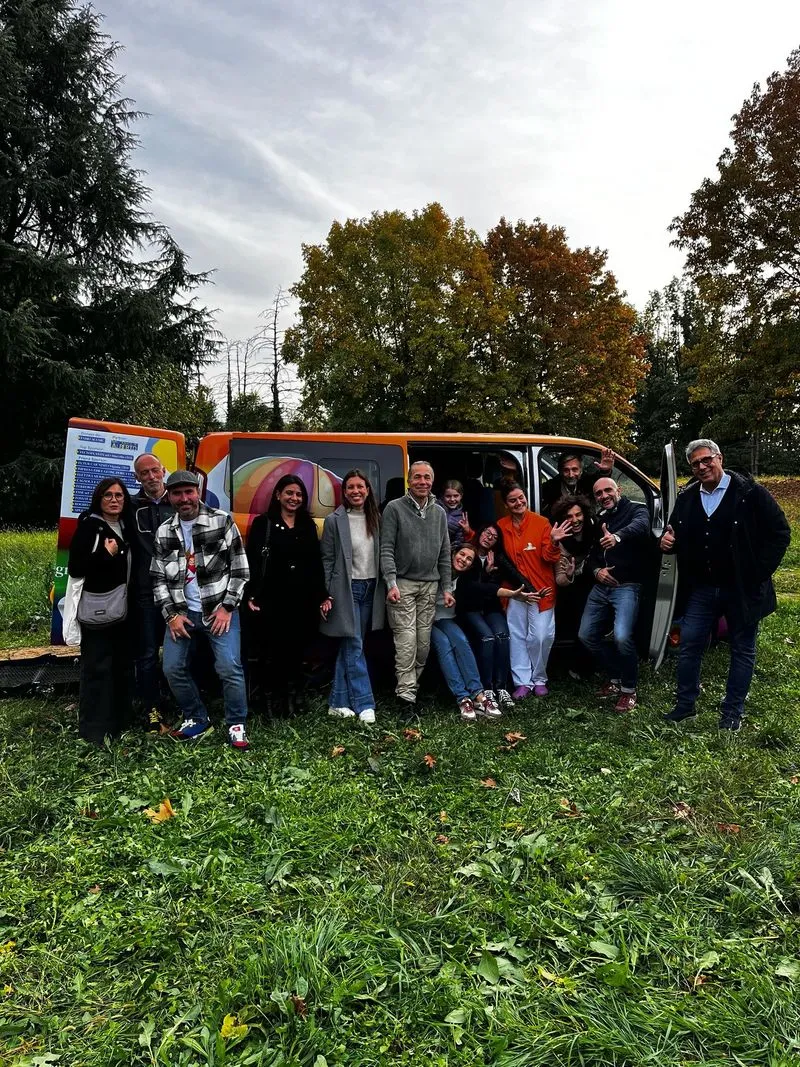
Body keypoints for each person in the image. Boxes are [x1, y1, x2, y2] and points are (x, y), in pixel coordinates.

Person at [660, 439, 790, 730]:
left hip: (741, 589)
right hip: (702, 588)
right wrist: (667, 542)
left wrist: (758, 572)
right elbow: (675, 533)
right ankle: (685, 706)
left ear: (719, 457)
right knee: (690, 644)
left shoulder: (750, 493)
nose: (702, 466)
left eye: (706, 459)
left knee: (742, 650)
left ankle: (732, 713)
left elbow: (780, 532)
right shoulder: (687, 497)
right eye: (695, 464)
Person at [151, 470, 251, 749]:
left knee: (229, 667)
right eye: (177, 493)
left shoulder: (222, 521)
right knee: (172, 668)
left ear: (198, 492)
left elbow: (241, 570)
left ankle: (236, 723)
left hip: (218, 610)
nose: (184, 498)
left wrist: (227, 608)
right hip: (182, 614)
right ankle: (196, 717)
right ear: (169, 497)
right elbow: (158, 579)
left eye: (189, 492)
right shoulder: (164, 531)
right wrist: (171, 616)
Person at [245, 474, 330, 717]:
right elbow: (252, 561)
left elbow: (315, 564)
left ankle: (292, 698)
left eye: (299, 494)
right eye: (289, 493)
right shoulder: (264, 523)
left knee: (296, 652)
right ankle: (270, 701)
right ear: (278, 495)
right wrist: (250, 594)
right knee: (270, 652)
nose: (294, 498)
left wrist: (322, 595)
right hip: (271, 599)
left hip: (301, 600)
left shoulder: (308, 526)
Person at [380, 460, 453, 713]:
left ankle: (411, 688)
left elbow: (445, 553)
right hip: (402, 584)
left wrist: (447, 588)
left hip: (429, 586)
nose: (422, 482)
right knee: (406, 643)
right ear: (409, 480)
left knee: (422, 645)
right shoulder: (394, 508)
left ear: (432, 481)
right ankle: (406, 698)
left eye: (427, 477)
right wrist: (391, 582)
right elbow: (386, 549)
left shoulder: (439, 513)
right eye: (417, 477)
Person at [67, 477, 136, 746]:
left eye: (119, 495)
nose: (114, 500)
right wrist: (105, 555)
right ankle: (94, 731)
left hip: (122, 610)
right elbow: (76, 568)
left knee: (120, 666)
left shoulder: (125, 525)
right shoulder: (90, 526)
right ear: (99, 498)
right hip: (98, 609)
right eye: (108, 495)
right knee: (97, 668)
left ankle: (118, 722)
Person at [578, 477, 651, 713]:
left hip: (627, 586)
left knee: (621, 637)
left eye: (608, 490)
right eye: (598, 493)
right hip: (601, 586)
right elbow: (591, 556)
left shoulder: (637, 510)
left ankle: (628, 689)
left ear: (618, 489)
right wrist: (596, 571)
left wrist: (617, 537)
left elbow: (641, 526)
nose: (604, 496)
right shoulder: (601, 519)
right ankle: (615, 676)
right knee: (586, 636)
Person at [320, 469, 385, 724]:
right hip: (347, 590)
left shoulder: (376, 518)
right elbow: (327, 559)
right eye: (350, 487)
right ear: (344, 492)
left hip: (371, 589)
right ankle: (365, 703)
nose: (356, 491)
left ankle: (337, 702)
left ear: (367, 490)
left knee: (353, 645)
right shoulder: (334, 520)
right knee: (355, 645)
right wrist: (328, 592)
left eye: (360, 486)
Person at [497, 481, 569, 699]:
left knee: (540, 637)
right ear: (506, 504)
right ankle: (522, 682)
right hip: (515, 591)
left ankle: (539, 678)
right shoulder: (501, 526)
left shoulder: (542, 523)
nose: (519, 502)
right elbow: (489, 543)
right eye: (512, 500)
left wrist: (554, 542)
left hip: (541, 590)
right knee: (517, 636)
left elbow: (549, 557)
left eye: (521, 498)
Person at [456, 523, 532, 709]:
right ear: (479, 532)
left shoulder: (497, 558)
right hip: (471, 608)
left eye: (494, 537)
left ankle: (502, 687)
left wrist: (532, 591)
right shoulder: (468, 553)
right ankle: (487, 688)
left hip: (491, 607)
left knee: (503, 635)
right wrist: (485, 572)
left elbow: (514, 575)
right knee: (488, 637)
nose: (489, 537)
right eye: (487, 532)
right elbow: (471, 587)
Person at [430, 544, 503, 722]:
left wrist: (487, 574)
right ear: (453, 553)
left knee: (461, 640)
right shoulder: (436, 569)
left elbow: (483, 588)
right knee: (444, 645)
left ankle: (478, 695)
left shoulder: (464, 579)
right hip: (427, 620)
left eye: (469, 559)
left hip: (446, 618)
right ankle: (462, 698)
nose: (463, 560)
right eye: (461, 554)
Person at [131, 452, 174, 733]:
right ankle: (152, 710)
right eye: (144, 473)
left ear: (163, 471)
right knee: (147, 654)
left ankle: (180, 700)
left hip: (178, 592)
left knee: (178, 652)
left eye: (155, 470)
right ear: (137, 477)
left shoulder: (179, 501)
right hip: (145, 592)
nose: (151, 477)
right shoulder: (131, 506)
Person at [550, 495, 597, 678]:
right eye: (569, 516)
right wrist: (570, 574)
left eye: (578, 514)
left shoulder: (593, 530)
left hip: (592, 581)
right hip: (569, 587)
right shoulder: (561, 541)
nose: (575, 520)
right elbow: (560, 579)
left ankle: (587, 663)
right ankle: (570, 665)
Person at [540, 447, 615, 516]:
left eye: (574, 469)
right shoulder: (550, 488)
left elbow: (601, 484)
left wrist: (605, 471)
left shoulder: (587, 482)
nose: (571, 475)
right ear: (560, 471)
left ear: (581, 471)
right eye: (566, 470)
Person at [438, 480, 471, 548]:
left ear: (461, 496)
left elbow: (458, 542)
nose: (452, 499)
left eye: (456, 496)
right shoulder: (434, 507)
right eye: (448, 496)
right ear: (442, 496)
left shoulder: (462, 518)